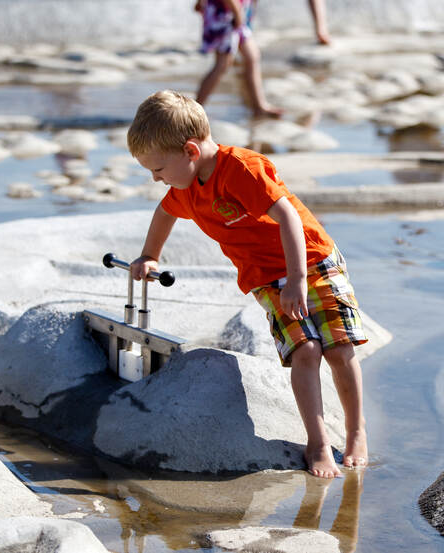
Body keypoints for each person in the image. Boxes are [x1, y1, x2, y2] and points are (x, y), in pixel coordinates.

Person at [126, 90, 368, 478]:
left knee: (338, 348)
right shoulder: (185, 190)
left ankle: (356, 432)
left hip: (311, 259)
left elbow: (287, 215)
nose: (156, 179)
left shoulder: (242, 169)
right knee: (304, 350)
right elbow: (164, 213)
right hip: (266, 278)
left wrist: (298, 279)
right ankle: (318, 441)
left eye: (157, 169)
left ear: (190, 151)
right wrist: (150, 254)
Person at [194, 0, 282, 117]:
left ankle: (259, 106)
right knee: (222, 64)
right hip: (227, 15)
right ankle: (195, 111)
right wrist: (237, 13)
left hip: (236, 13)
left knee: (252, 57)